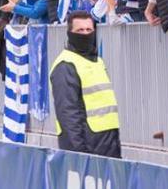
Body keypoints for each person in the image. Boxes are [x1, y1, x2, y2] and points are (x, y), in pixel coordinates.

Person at [50, 12, 121, 158]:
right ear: (70, 33)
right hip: (87, 152)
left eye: (89, 30)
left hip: (108, 146)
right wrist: (80, 157)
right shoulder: (66, 65)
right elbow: (68, 115)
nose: (85, 34)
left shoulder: (97, 61)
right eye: (80, 30)